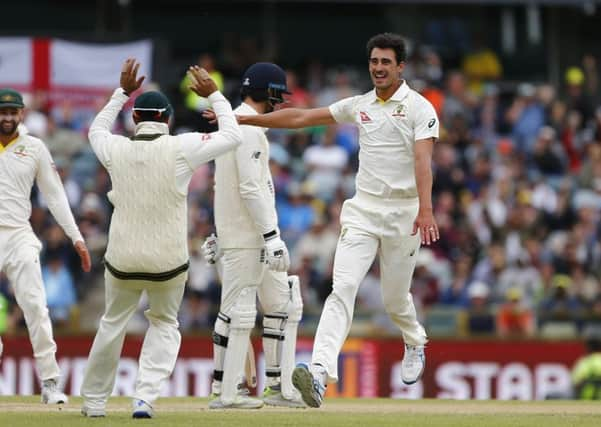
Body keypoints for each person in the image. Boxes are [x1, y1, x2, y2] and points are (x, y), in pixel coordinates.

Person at [237, 33, 440, 408]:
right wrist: (249, 120)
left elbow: (422, 161)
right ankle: (317, 375)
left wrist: (426, 209)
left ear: (400, 67)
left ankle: (414, 339)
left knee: (394, 301)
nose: (378, 68)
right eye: (374, 62)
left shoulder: (419, 108)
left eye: (386, 62)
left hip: (405, 213)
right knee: (341, 289)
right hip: (363, 211)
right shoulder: (359, 105)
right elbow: (301, 116)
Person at [79, 59, 242, 418]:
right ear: (167, 119)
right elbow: (233, 135)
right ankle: (144, 399)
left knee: (112, 324)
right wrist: (215, 95)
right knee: (165, 324)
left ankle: (93, 403)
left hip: (122, 259)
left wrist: (122, 91)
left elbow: (96, 130)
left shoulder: (116, 148)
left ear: (135, 119)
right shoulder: (181, 146)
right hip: (168, 262)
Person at [201, 62, 304, 409]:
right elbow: (248, 187)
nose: (281, 100)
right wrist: (271, 235)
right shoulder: (246, 130)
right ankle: (225, 391)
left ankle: (277, 388)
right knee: (236, 311)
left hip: (250, 235)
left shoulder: (239, 125)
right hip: (248, 237)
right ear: (268, 92)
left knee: (282, 305)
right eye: (278, 93)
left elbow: (232, 185)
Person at [0, 88, 91, 404]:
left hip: (19, 234)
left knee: (36, 306)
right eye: (2, 112)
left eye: (12, 112)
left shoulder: (35, 147)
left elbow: (54, 195)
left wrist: (76, 236)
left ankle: (51, 382)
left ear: (22, 114)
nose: (7, 117)